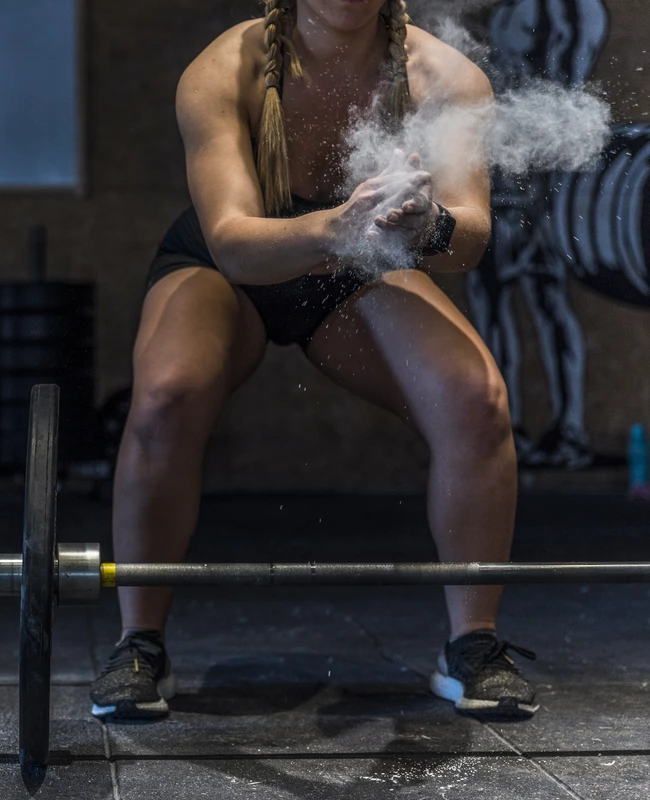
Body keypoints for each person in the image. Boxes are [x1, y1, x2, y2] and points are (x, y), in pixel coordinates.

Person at [89, 0, 538, 723]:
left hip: (357, 265)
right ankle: (138, 643)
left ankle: (473, 645)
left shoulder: (449, 78)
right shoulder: (221, 69)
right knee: (167, 394)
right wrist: (336, 225)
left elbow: (471, 241)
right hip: (233, 268)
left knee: (474, 398)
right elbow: (235, 243)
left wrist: (430, 225)